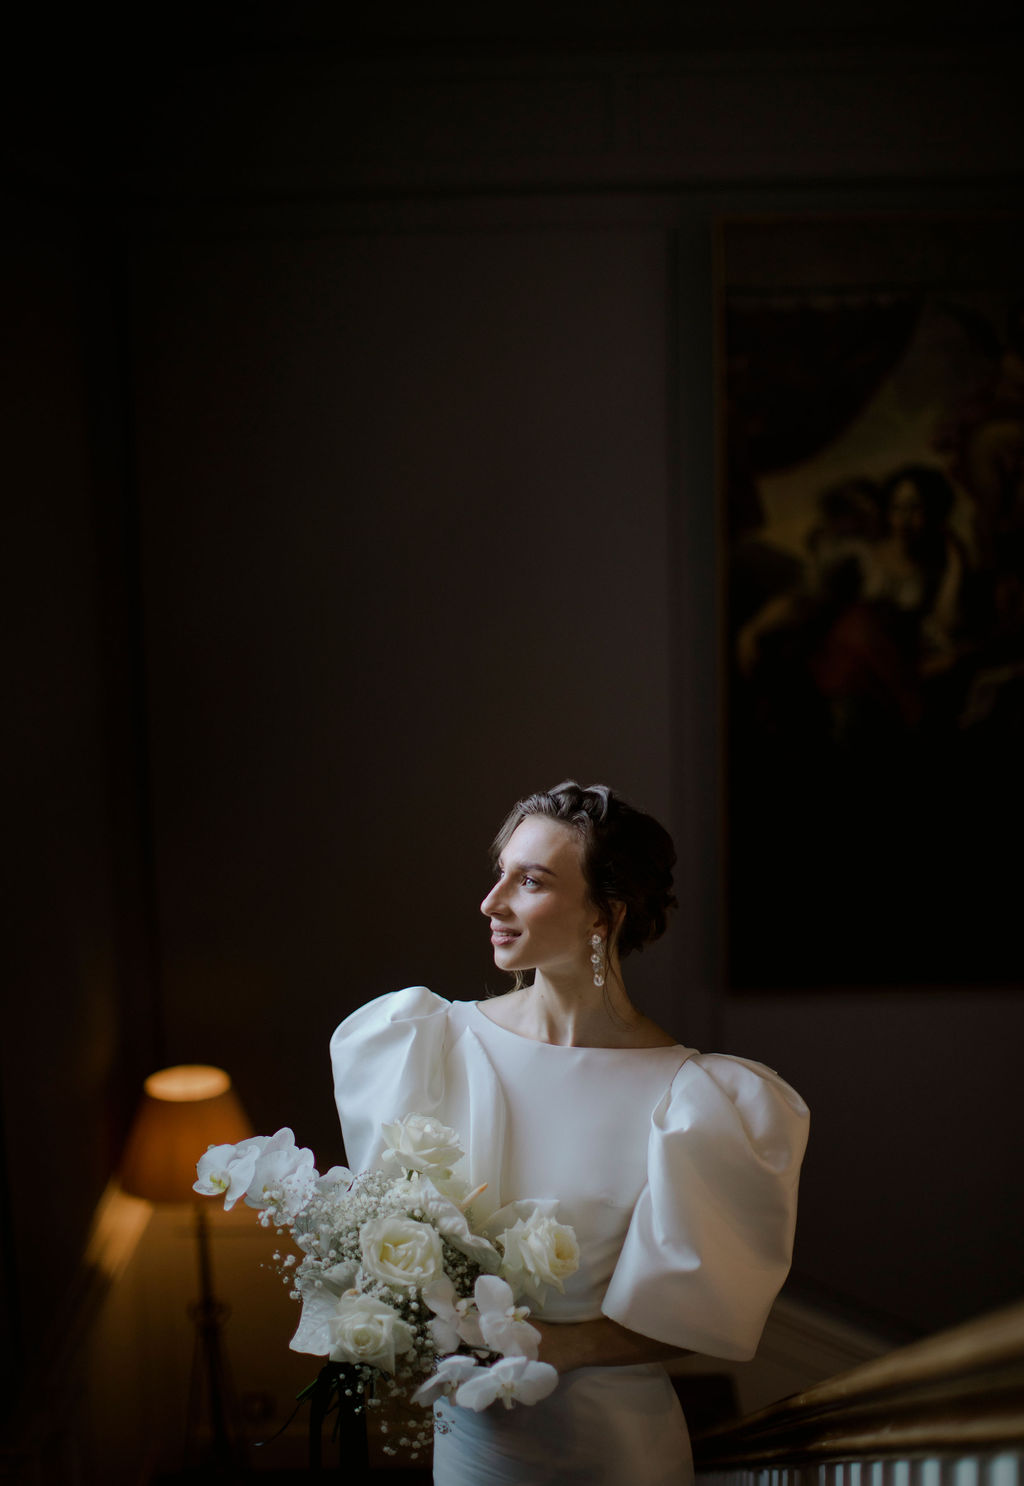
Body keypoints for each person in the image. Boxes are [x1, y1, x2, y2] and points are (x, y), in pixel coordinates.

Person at [330, 781, 809, 1486]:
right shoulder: (424, 1045)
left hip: (614, 1450)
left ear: (603, 915)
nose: (492, 903)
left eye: (530, 882)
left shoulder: (697, 1099)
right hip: (472, 1446)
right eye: (500, 875)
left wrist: (560, 1345)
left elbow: (697, 1308)